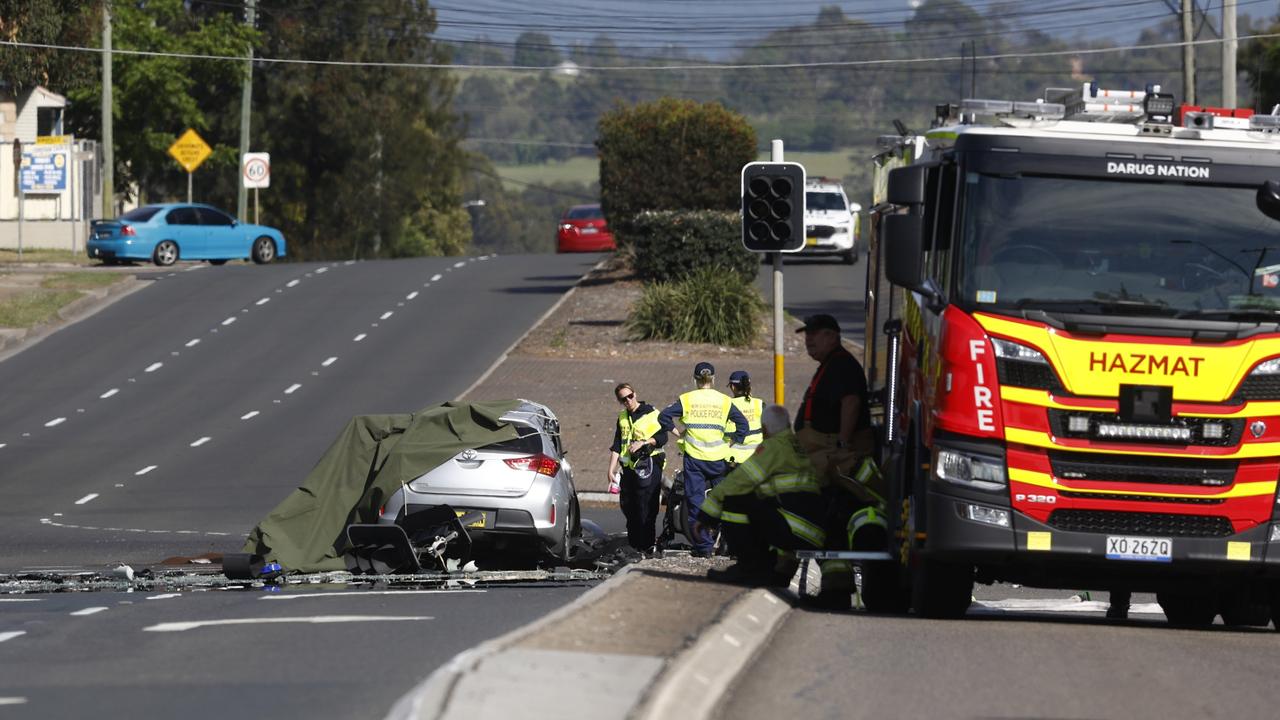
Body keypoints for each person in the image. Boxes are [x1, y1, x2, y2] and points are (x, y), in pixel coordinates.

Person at [794, 313, 876, 608]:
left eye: (815, 334)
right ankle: (835, 587)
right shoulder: (831, 365)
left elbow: (850, 402)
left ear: (832, 336)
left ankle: (837, 590)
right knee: (828, 519)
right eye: (807, 335)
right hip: (826, 454)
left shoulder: (841, 365)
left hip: (835, 456)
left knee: (831, 518)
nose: (809, 341)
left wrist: (842, 444)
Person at [696, 405, 827, 586]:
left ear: (765, 428)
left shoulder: (774, 446)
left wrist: (707, 516)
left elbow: (738, 482)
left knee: (735, 502)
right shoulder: (796, 445)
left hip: (794, 531)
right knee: (759, 503)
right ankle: (768, 571)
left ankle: (747, 568)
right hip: (812, 531)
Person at [659, 362, 749, 557]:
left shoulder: (687, 399)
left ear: (695, 379)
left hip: (695, 461)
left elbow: (664, 417)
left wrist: (678, 434)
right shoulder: (724, 400)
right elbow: (743, 425)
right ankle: (733, 547)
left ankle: (704, 548)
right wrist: (730, 443)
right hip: (719, 460)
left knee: (695, 504)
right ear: (714, 379)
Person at [606, 383, 668, 552]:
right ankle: (634, 547)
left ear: (635, 393)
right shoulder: (622, 417)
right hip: (629, 469)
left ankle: (647, 546)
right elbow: (618, 444)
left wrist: (644, 442)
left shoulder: (651, 413)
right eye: (623, 399)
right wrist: (611, 469)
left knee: (646, 507)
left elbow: (663, 437)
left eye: (630, 396)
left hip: (650, 465)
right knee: (630, 507)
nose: (628, 401)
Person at [724, 370, 764, 465]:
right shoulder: (759, 404)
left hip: (732, 460)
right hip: (757, 458)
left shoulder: (726, 405)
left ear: (732, 387)